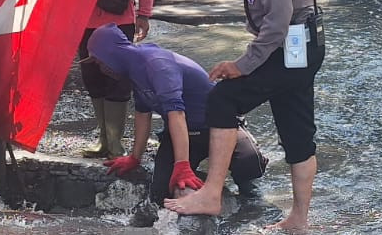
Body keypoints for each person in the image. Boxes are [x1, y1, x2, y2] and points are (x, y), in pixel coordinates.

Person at [166, 0, 322, 233]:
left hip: (289, 47)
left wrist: (243, 64)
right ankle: (299, 220)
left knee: (222, 100)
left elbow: (278, 20)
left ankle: (211, 194)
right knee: (297, 132)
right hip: (302, 47)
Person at [88, 25, 267, 206]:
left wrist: (182, 165)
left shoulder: (156, 64)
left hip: (217, 127)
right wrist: (135, 157)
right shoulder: (132, 70)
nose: (101, 69)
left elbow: (177, 113)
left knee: (249, 164)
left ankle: (247, 190)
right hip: (184, 134)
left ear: (110, 54)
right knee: (161, 191)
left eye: (99, 62)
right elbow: (142, 113)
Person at [76, 0, 155, 157]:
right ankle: (103, 139)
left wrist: (144, 12)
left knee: (118, 81)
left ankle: (115, 142)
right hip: (84, 17)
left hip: (120, 18)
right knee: (91, 77)